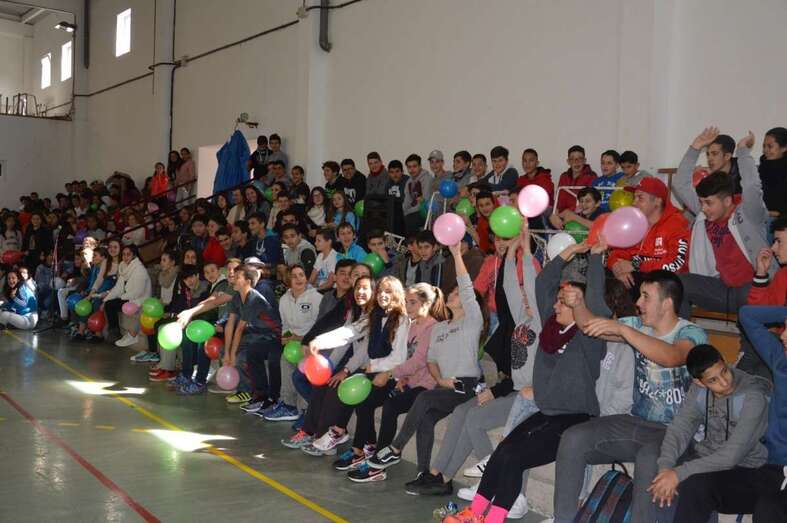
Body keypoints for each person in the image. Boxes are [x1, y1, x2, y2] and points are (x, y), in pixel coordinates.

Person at [445, 241, 608, 523]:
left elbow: (597, 304)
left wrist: (595, 257)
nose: (556, 303)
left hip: (574, 418)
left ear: (580, 304)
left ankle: (492, 518)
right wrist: (571, 251)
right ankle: (475, 513)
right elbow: (544, 282)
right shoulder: (549, 329)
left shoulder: (589, 338)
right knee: (503, 451)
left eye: (564, 301)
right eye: (558, 299)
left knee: (515, 457)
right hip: (546, 411)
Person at [552, 269, 708, 523]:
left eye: (646, 296)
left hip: (677, 432)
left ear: (667, 303)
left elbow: (672, 357)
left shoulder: (691, 333)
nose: (637, 303)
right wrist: (579, 304)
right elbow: (591, 326)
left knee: (650, 459)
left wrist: (624, 331)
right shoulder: (638, 326)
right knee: (574, 437)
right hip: (636, 422)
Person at [408, 226, 540, 512]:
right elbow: (506, 289)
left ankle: (494, 482)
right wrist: (506, 255)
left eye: (527, 295)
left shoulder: (539, 323)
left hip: (529, 395)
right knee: (463, 413)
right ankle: (441, 475)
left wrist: (523, 250)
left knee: (473, 418)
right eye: (521, 296)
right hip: (512, 390)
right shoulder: (518, 323)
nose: (523, 299)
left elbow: (525, 283)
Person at [364, 242, 488, 482]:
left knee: (422, 398)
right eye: (451, 293)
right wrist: (440, 379)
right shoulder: (440, 327)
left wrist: (455, 255)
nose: (454, 295)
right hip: (444, 386)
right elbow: (430, 359)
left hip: (467, 386)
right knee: (426, 418)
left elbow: (465, 286)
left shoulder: (472, 322)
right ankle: (424, 473)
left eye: (457, 294)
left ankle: (396, 448)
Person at [651, 344, 770, 522]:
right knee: (651, 459)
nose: (724, 382)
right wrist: (666, 468)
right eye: (713, 380)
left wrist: (678, 473)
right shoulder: (699, 390)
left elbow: (731, 457)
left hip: (749, 470)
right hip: (707, 458)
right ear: (699, 382)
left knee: (695, 486)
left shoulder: (753, 397)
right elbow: (680, 428)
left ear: (725, 363)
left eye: (724, 371)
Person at [343, 282, 448, 481]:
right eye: (406, 302)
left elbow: (419, 361)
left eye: (413, 302)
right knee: (368, 401)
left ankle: (379, 463)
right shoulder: (412, 323)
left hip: (426, 385)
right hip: (409, 381)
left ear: (426, 304)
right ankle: (371, 451)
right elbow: (406, 356)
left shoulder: (432, 327)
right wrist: (403, 378)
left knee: (391, 406)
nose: (407, 307)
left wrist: (392, 374)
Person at [301, 275, 410, 457]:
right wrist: (319, 341)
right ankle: (367, 444)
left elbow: (399, 357)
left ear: (397, 294)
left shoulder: (401, 320)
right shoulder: (374, 316)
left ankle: (354, 446)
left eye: (388, 291)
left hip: (390, 373)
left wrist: (373, 365)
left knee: (363, 402)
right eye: (380, 291)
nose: (383, 295)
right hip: (372, 369)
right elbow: (349, 331)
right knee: (351, 390)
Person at [675, 129, 772, 321]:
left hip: (752, 288)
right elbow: (680, 185)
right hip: (722, 289)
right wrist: (695, 147)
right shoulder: (706, 212)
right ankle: (682, 337)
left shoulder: (748, 212)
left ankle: (748, 351)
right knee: (676, 284)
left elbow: (752, 186)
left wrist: (743, 151)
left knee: (750, 296)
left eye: (709, 203)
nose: (703, 208)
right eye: (701, 203)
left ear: (727, 201)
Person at [729, 305, 787, 522]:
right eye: (785, 326)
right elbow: (747, 315)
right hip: (768, 464)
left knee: (768, 509)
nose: (783, 335)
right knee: (698, 483)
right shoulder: (781, 361)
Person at [607, 177, 690, 297]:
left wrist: (636, 266)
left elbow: (677, 263)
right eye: (634, 197)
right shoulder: (636, 222)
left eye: (640, 198)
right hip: (638, 277)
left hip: (665, 282)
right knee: (603, 274)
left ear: (657, 201)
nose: (634, 203)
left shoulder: (676, 223)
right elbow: (618, 251)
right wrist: (616, 266)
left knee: (632, 282)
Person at [264, 264, 323, 421]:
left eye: (301, 275)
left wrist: (301, 339)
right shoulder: (284, 300)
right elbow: (286, 325)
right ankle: (288, 406)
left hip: (312, 344)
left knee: (304, 367)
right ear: (287, 280)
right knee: (284, 360)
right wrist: (286, 337)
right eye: (294, 276)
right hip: (293, 343)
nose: (299, 279)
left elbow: (320, 324)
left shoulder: (316, 297)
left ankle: (305, 410)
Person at [225, 264, 282, 408]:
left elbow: (239, 329)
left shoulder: (254, 298)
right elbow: (230, 324)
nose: (234, 280)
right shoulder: (237, 297)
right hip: (255, 334)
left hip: (272, 336)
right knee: (226, 353)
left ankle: (249, 392)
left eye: (238, 277)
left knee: (242, 356)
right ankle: (254, 392)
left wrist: (232, 355)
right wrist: (226, 353)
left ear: (248, 282)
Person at [101, 244, 152, 347]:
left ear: (134, 255)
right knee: (109, 304)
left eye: (128, 254)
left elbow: (138, 292)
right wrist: (105, 299)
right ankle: (114, 332)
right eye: (124, 254)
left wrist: (120, 297)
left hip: (139, 299)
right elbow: (118, 288)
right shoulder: (123, 267)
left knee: (112, 304)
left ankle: (126, 335)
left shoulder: (139, 270)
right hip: (128, 297)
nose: (125, 257)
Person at [749, 216, 787, 306]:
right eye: (774, 242)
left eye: (779, 241)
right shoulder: (782, 275)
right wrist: (761, 273)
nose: (773, 248)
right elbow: (759, 311)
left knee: (744, 313)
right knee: (746, 313)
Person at [556, 145, 598, 214]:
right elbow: (559, 200)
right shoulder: (563, 176)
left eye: (580, 158)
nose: (576, 162)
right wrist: (555, 213)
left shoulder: (592, 176)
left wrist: (567, 213)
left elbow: (588, 202)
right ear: (568, 162)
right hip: (564, 214)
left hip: (582, 214)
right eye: (572, 159)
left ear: (584, 160)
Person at [759, 127, 787, 219]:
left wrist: (777, 214)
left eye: (770, 146)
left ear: (784, 148)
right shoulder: (763, 167)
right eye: (764, 146)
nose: (765, 150)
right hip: (761, 218)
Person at [403, 154, 433, 233]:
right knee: (396, 218)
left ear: (420, 166)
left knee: (409, 220)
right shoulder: (408, 182)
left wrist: (407, 212)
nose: (412, 170)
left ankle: (415, 243)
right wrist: (402, 212)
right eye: (409, 167)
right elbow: (407, 201)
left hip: (426, 211)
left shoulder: (427, 178)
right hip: (413, 211)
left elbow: (425, 200)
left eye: (414, 166)